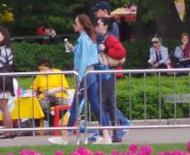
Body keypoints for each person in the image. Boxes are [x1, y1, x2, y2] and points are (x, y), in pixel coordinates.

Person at [50, 14, 110, 145]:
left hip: (85, 75)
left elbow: (83, 61)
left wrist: (79, 79)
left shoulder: (84, 38)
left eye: (76, 22)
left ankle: (65, 136)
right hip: (91, 73)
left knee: (75, 106)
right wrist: (73, 49)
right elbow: (86, 56)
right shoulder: (88, 38)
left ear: (81, 24)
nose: (74, 25)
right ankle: (105, 135)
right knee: (95, 105)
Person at [94, 18, 131, 142]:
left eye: (98, 24)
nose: (96, 26)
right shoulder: (100, 38)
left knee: (102, 103)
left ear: (105, 26)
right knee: (109, 103)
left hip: (108, 73)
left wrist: (106, 50)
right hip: (104, 73)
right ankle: (114, 133)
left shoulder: (109, 38)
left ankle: (105, 133)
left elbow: (121, 52)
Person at [0, 25, 15, 139]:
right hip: (7, 80)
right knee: (4, 107)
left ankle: (8, 132)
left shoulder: (1, 50)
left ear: (3, 36)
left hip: (0, 80)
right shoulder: (8, 49)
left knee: (3, 107)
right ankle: (9, 131)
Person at [32, 58, 69, 123]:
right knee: (43, 107)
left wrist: (53, 90)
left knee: (64, 105)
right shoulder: (39, 75)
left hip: (59, 94)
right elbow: (33, 88)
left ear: (49, 68)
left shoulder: (58, 72)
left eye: (43, 69)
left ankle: (53, 121)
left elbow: (65, 87)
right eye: (40, 69)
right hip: (44, 95)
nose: (41, 71)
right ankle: (52, 121)